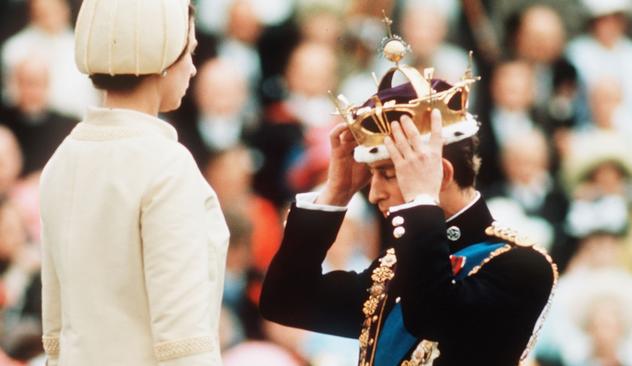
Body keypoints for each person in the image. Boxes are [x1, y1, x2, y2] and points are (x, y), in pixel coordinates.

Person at [260, 33, 557, 365]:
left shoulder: (520, 266)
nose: (373, 194)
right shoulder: (394, 268)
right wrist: (336, 193)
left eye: (388, 174)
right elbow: (284, 301)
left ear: (441, 173)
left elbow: (430, 315)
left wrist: (420, 200)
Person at [39, 1, 229, 365]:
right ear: (160, 59)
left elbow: (56, 335)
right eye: (187, 53)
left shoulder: (62, 160)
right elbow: (183, 342)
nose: (191, 68)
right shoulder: (167, 166)